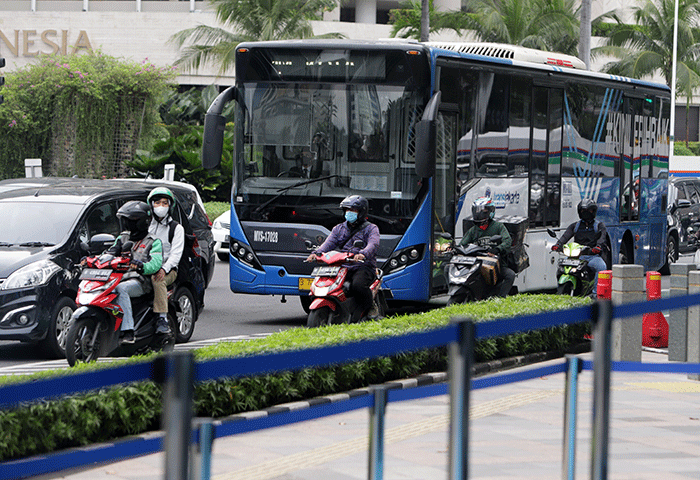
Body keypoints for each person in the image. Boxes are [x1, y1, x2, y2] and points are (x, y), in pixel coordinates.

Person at [306, 195, 380, 320]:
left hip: (362, 266)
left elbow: (373, 244)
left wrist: (363, 253)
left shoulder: (371, 228)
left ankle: (370, 306)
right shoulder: (339, 228)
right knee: (327, 284)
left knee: (358, 285)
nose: (349, 213)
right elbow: (328, 244)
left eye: (353, 210)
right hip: (342, 266)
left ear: (361, 212)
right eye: (347, 210)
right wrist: (316, 253)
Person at [108, 201, 164, 344]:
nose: (128, 224)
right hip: (117, 277)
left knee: (121, 289)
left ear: (143, 222)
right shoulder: (122, 238)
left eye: (132, 221)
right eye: (126, 221)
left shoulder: (154, 241)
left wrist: (141, 266)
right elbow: (109, 253)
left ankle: (128, 331)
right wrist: (92, 259)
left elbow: (156, 263)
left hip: (140, 281)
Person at [146, 187, 186, 335]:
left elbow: (176, 255)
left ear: (170, 206)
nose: (160, 206)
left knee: (157, 280)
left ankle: (162, 318)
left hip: (167, 270)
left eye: (164, 203)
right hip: (146, 266)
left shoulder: (176, 228)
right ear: (151, 205)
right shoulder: (147, 226)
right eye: (157, 203)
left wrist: (164, 268)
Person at [460, 196, 516, 298]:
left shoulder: (498, 227)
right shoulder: (473, 230)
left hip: (496, 265)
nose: (479, 214)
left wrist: (497, 249)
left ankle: (501, 298)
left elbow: (507, 241)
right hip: (477, 264)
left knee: (510, 275)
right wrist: (454, 249)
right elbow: (463, 244)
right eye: (477, 211)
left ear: (490, 211)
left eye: (483, 211)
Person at [551, 199, 609, 297]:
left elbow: (602, 238)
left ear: (593, 211)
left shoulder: (599, 226)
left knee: (602, 267)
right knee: (561, 266)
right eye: (583, 211)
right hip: (576, 257)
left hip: (592, 256)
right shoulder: (575, 226)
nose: (586, 213)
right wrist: (558, 245)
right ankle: (559, 291)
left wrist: (597, 247)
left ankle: (596, 294)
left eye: (589, 211)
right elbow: (565, 236)